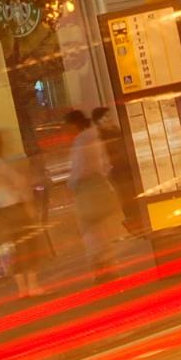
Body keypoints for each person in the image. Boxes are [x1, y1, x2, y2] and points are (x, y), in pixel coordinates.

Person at [0, 128, 42, 297]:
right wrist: (29, 205)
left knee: (17, 246)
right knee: (29, 243)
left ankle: (22, 288)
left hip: (2, 210)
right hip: (14, 206)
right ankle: (33, 284)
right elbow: (18, 182)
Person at [66, 109, 122, 284]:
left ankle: (101, 269)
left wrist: (71, 185)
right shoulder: (95, 138)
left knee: (90, 231)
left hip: (86, 191)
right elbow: (105, 164)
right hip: (100, 187)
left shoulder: (81, 142)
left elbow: (79, 169)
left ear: (74, 125)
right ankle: (110, 266)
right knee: (102, 230)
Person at [89, 110, 146, 237]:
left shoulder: (115, 131)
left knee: (135, 199)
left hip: (128, 170)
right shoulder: (102, 137)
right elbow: (105, 159)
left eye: (109, 116)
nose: (110, 118)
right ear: (98, 122)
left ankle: (139, 227)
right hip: (119, 173)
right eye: (106, 117)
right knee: (128, 201)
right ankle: (136, 229)